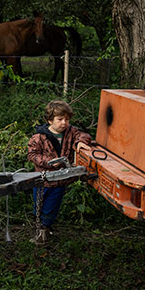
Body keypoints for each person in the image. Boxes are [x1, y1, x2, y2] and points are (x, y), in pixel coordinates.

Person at [26, 100, 92, 244]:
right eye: (60, 119)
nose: (64, 123)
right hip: (42, 179)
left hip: (60, 180)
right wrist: (48, 161)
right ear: (50, 120)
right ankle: (40, 225)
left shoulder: (70, 133)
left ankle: (44, 229)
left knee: (52, 206)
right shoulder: (39, 137)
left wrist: (79, 142)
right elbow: (32, 154)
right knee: (38, 205)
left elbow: (83, 135)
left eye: (67, 119)